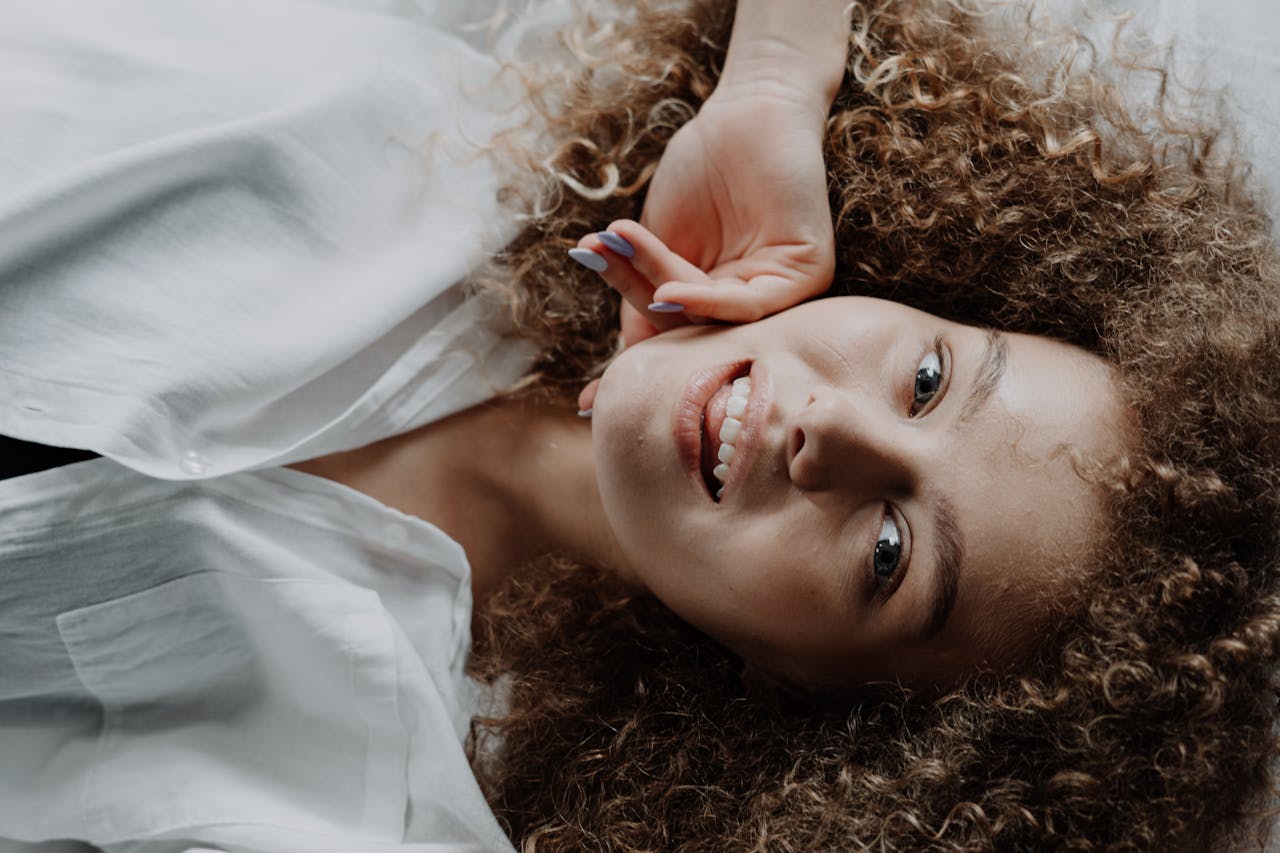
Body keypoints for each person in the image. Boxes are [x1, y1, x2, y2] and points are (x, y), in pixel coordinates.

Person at [0, 3, 1276, 853]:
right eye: (930, 377)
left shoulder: (358, 812)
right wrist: (776, 79)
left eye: (890, 552)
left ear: (819, 702)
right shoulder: (489, 121)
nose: (829, 430)